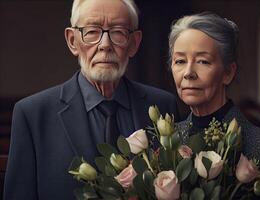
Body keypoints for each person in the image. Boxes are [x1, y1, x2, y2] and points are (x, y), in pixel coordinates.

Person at [3, 0, 179, 199]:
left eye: (118, 31)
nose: (105, 45)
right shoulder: (33, 115)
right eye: (92, 32)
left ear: (134, 43)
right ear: (72, 41)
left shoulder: (162, 105)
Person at [169, 12, 260, 199]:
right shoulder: (167, 143)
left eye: (203, 61)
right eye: (180, 61)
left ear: (228, 72)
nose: (188, 73)